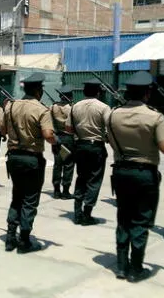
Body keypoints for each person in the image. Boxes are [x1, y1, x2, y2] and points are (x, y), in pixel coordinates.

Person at [105, 71, 164, 282]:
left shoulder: (112, 115)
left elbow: (110, 140)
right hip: (144, 173)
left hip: (120, 171)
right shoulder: (155, 116)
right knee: (140, 220)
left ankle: (121, 266)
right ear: (147, 93)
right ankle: (136, 268)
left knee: (123, 218)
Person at [3, 73, 56, 254]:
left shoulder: (10, 106)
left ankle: (10, 237)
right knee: (30, 200)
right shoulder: (42, 110)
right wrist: (57, 142)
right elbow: (48, 135)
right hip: (32, 159)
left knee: (17, 196)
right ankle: (24, 240)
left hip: (13, 158)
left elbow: (2, 128)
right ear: (38, 90)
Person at [66, 78, 111, 226]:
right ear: (98, 92)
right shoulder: (103, 107)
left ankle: (77, 213)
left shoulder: (74, 107)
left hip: (80, 146)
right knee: (94, 180)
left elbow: (68, 128)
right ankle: (87, 214)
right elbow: (110, 127)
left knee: (81, 177)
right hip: (96, 146)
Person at [51, 85, 76, 199]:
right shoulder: (71, 108)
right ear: (69, 95)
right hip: (68, 138)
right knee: (68, 164)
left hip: (56, 137)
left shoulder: (53, 107)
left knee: (57, 164)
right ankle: (65, 191)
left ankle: (56, 190)